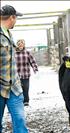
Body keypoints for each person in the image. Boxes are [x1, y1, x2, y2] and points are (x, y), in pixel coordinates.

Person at [0, 5, 29, 133]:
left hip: (14, 88)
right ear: (11, 17)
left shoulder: (9, 34)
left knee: (20, 120)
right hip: (0, 88)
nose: (16, 20)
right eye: (16, 17)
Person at [15, 39, 38, 106]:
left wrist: (35, 70)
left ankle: (26, 101)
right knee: (18, 89)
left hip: (25, 74)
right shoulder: (14, 53)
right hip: (16, 75)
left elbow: (33, 62)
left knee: (26, 88)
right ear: (17, 45)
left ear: (24, 45)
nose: (20, 45)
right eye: (19, 43)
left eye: (22, 43)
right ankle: (19, 101)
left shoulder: (27, 53)